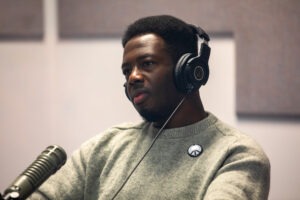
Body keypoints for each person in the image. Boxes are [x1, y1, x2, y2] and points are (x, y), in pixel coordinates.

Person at [29, 15, 270, 199]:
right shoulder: (106, 146)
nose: (133, 77)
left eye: (147, 63)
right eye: (127, 71)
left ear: (189, 71)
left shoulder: (237, 154)